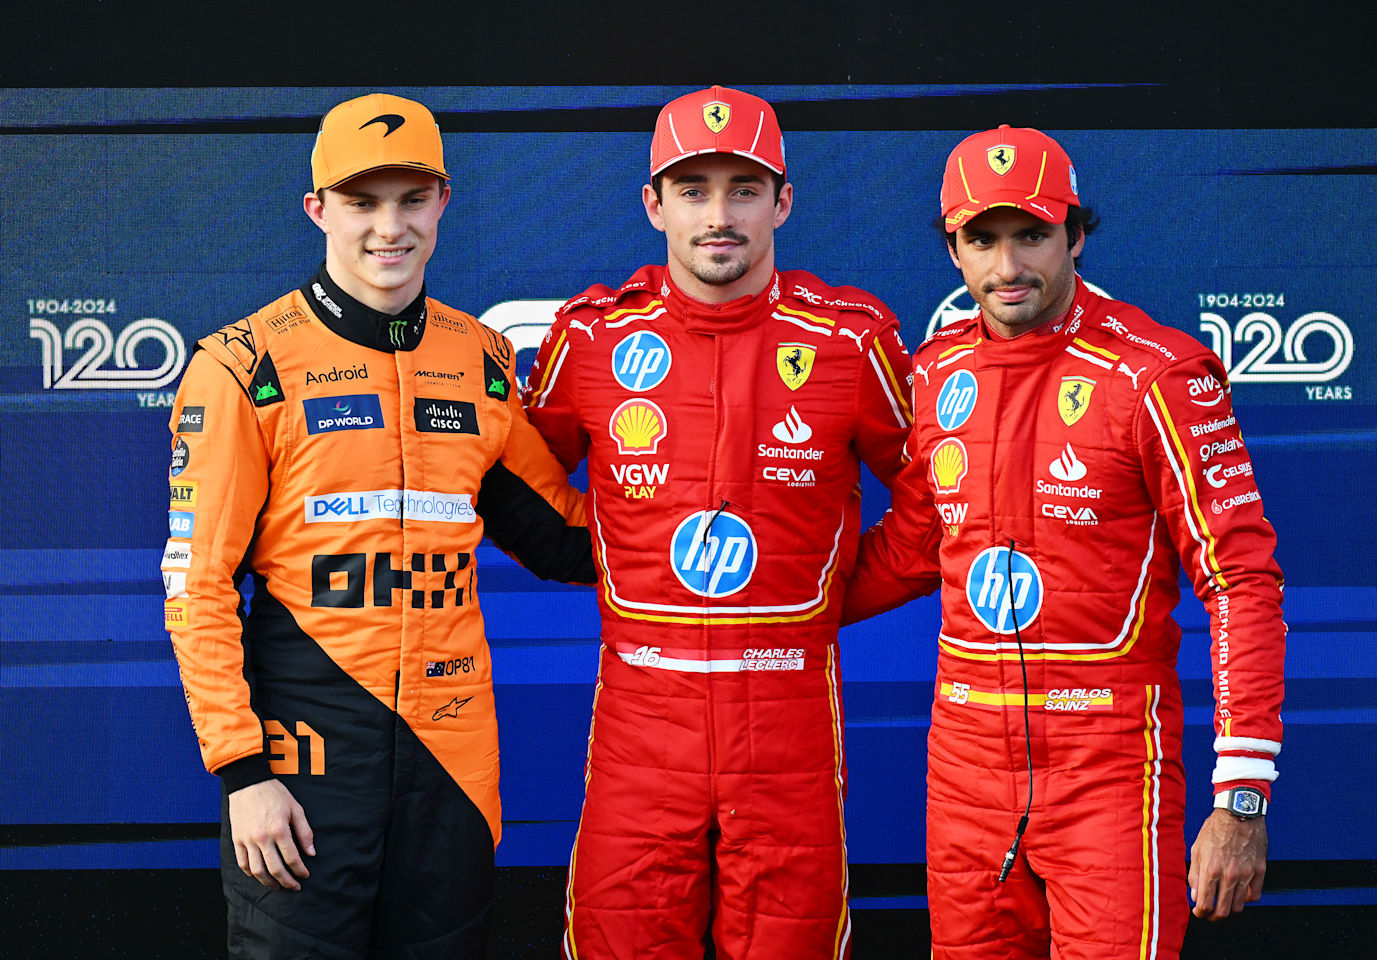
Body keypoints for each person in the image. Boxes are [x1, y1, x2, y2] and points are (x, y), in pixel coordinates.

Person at [162, 92, 594, 958]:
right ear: (318, 209)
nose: (388, 228)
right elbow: (198, 584)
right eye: (362, 202)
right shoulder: (244, 365)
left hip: (454, 759)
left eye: (411, 199)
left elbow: (570, 541)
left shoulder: (482, 360)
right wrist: (243, 775)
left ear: (443, 202)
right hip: (305, 760)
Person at [842, 125, 1286, 959]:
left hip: (1109, 765)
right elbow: (909, 549)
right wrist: (761, 610)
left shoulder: (1158, 373)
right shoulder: (935, 372)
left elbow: (1242, 583)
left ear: (1076, 235)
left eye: (1032, 236)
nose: (1007, 268)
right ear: (954, 250)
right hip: (965, 768)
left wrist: (1243, 798)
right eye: (982, 240)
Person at [522, 85, 914, 959]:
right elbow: (518, 475)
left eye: (743, 188)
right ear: (654, 204)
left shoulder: (851, 340)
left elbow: (939, 500)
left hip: (788, 717)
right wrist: (614, 553)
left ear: (782, 200)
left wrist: (827, 597)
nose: (719, 215)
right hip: (639, 715)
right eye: (693, 190)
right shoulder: (592, 335)